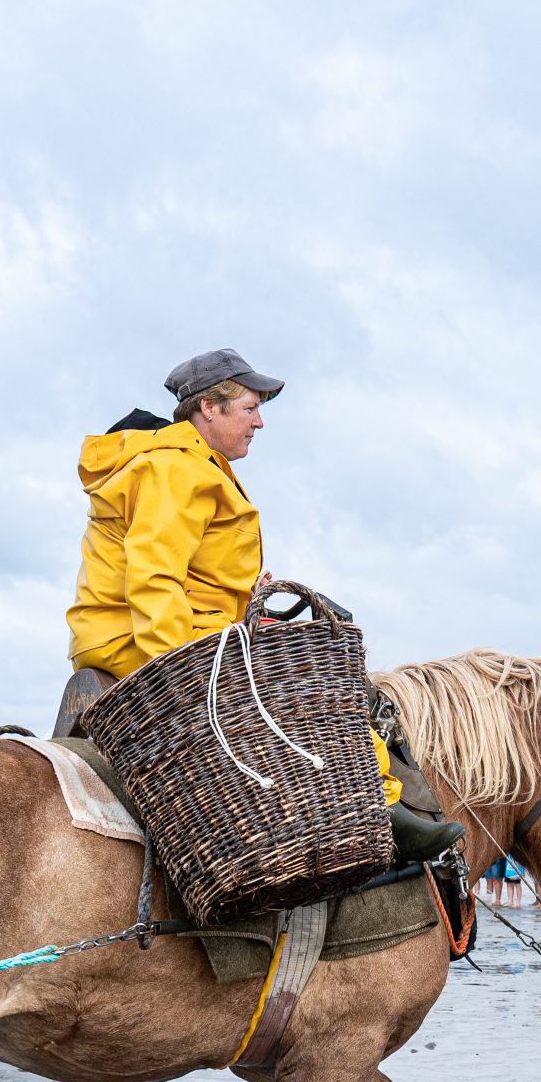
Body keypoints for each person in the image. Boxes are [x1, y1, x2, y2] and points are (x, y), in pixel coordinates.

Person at [65, 349, 456, 864]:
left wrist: (243, 597)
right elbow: (153, 580)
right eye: (249, 408)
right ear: (210, 407)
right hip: (143, 637)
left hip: (164, 625)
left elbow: (187, 568)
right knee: (314, 683)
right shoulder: (175, 470)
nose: (259, 421)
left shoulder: (194, 465)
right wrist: (183, 673)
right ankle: (381, 809)